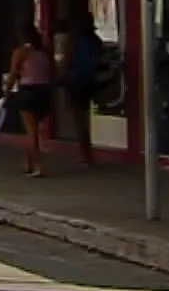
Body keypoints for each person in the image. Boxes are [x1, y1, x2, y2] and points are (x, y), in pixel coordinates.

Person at [8, 24, 55, 176]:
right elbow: (53, 71)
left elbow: (14, 73)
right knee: (33, 129)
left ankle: (38, 166)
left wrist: (6, 91)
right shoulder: (45, 52)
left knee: (31, 131)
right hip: (45, 92)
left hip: (28, 91)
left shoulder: (21, 52)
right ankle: (28, 163)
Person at [61, 12, 103, 167]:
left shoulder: (73, 41)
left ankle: (85, 155)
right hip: (90, 81)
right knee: (85, 118)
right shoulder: (95, 40)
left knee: (78, 120)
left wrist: (61, 75)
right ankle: (87, 154)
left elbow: (66, 61)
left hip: (75, 81)